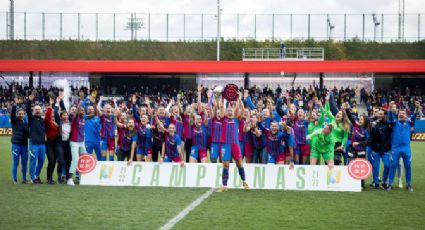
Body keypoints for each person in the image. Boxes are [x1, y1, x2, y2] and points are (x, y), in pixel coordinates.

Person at [217, 93, 249, 192]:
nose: (230, 112)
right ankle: (224, 186)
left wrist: (239, 98)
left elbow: (243, 110)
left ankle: (244, 182)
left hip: (235, 144)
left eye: (231, 110)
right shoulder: (223, 119)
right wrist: (222, 98)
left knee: (239, 164)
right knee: (226, 165)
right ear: (226, 112)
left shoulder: (237, 119)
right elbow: (221, 107)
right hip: (225, 144)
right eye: (228, 110)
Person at [386, 104, 417, 192]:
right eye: (400, 113)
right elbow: (391, 115)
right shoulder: (394, 122)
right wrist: (391, 108)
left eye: (403, 113)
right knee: (393, 166)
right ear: (398, 114)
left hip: (406, 148)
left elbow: (414, 116)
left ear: (406, 115)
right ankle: (390, 184)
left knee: (408, 166)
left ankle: (408, 184)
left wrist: (417, 107)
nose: (402, 114)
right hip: (395, 148)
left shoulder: (409, 122)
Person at [369, 109, 392, 189]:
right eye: (379, 114)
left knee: (387, 165)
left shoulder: (389, 124)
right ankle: (376, 183)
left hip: (386, 149)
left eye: (381, 114)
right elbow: (371, 137)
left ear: (385, 115)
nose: (379, 115)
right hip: (375, 149)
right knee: (375, 167)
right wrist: (373, 127)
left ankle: (384, 181)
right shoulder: (374, 124)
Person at [26, 94, 46, 184]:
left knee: (41, 161)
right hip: (34, 144)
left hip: (42, 144)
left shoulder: (42, 120)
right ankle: (32, 177)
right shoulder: (31, 118)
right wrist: (29, 101)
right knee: (33, 161)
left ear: (41, 110)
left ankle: (36, 175)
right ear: (33, 110)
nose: (38, 111)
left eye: (39, 109)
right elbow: (27, 110)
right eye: (36, 109)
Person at [44, 97, 64, 184]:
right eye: (51, 114)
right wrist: (50, 106)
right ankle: (49, 178)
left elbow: (56, 113)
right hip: (49, 143)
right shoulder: (47, 121)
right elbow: (48, 116)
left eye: (53, 114)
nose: (52, 115)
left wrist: (58, 102)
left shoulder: (57, 122)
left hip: (56, 143)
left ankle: (51, 178)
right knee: (51, 161)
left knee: (55, 161)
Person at [10, 97, 29, 184]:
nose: (21, 115)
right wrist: (15, 105)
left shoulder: (26, 122)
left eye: (22, 113)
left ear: (24, 114)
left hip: (24, 145)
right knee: (16, 163)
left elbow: (28, 133)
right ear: (17, 114)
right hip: (16, 145)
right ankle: (14, 179)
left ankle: (24, 178)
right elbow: (12, 115)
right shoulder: (14, 121)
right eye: (20, 113)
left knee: (24, 163)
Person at [68, 102, 86, 186]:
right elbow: (76, 113)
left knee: (84, 159)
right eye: (81, 110)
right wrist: (80, 105)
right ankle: (70, 179)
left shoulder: (84, 119)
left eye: (83, 110)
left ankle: (82, 177)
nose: (82, 111)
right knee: (75, 159)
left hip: (81, 142)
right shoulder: (75, 118)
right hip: (74, 142)